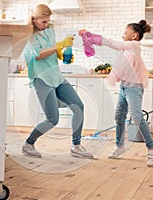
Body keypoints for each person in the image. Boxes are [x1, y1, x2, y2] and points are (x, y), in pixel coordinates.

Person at [80, 20, 153, 167]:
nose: (123, 35)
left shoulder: (134, 46)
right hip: (124, 86)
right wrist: (90, 38)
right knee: (119, 116)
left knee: (136, 116)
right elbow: (115, 51)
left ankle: (152, 148)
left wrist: (91, 37)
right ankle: (119, 146)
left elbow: (111, 43)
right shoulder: (126, 49)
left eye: (125, 33)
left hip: (134, 88)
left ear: (134, 36)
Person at [21, 3, 93, 159]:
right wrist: (60, 46)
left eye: (47, 21)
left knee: (78, 106)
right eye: (43, 22)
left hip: (56, 75)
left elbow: (51, 49)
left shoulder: (50, 28)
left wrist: (61, 54)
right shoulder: (27, 34)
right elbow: (37, 55)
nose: (46, 24)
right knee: (53, 119)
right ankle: (28, 144)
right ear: (34, 19)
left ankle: (76, 146)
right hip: (41, 78)